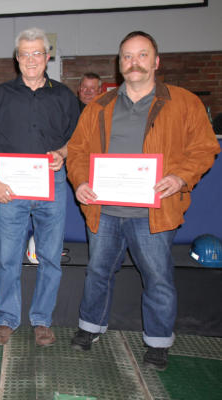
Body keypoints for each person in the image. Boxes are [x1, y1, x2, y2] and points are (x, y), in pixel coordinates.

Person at [66, 31, 220, 370]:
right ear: (119, 63)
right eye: (127, 56)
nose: (134, 62)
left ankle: (158, 342)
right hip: (104, 210)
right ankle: (90, 327)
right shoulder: (99, 106)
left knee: (158, 278)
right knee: (97, 271)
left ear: (156, 61)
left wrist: (180, 177)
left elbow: (205, 148)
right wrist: (80, 181)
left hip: (154, 212)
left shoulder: (183, 102)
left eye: (142, 55)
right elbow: (76, 151)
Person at [0, 27, 80, 347]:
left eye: (37, 53)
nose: (31, 59)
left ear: (47, 57)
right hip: (10, 187)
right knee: (6, 256)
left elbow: (78, 141)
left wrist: (62, 154)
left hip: (52, 185)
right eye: (24, 54)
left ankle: (42, 320)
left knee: (50, 257)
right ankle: (7, 319)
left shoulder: (64, 96)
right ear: (16, 58)